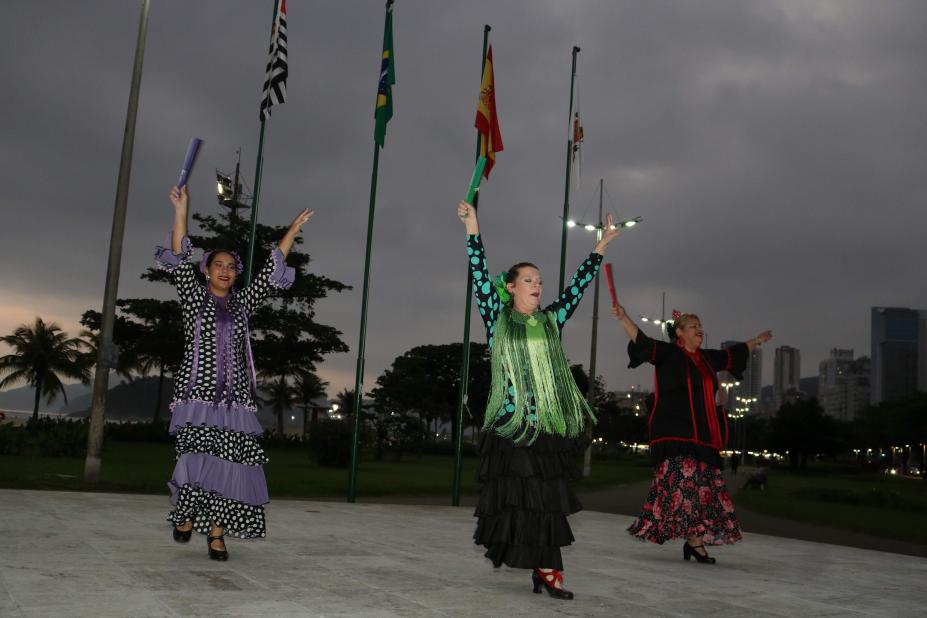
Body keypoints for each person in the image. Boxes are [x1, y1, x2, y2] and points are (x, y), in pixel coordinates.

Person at [457, 199, 618, 600]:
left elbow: (578, 287)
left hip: (546, 427)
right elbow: (479, 272)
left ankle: (546, 570)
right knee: (522, 499)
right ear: (510, 288)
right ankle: (543, 568)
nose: (537, 286)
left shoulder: (551, 320)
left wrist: (600, 247)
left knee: (546, 501)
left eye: (540, 281)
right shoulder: (496, 316)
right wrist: (472, 228)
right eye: (528, 280)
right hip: (512, 426)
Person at [155, 184, 312, 561]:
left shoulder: (242, 303)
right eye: (218, 265)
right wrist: (182, 210)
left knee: (230, 465)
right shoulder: (194, 297)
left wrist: (290, 232)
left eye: (230, 267)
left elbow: (270, 275)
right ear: (206, 270)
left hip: (236, 403)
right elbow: (178, 253)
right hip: (198, 397)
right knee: (194, 458)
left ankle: (217, 534)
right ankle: (186, 516)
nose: (224, 271)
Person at [611, 304, 771, 563]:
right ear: (680, 334)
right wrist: (623, 318)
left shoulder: (708, 359)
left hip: (704, 437)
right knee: (681, 487)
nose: (700, 330)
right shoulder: (668, 354)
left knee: (704, 489)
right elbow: (641, 341)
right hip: (675, 433)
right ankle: (686, 538)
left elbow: (734, 353)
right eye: (694, 327)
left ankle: (694, 543)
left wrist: (757, 340)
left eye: (700, 326)